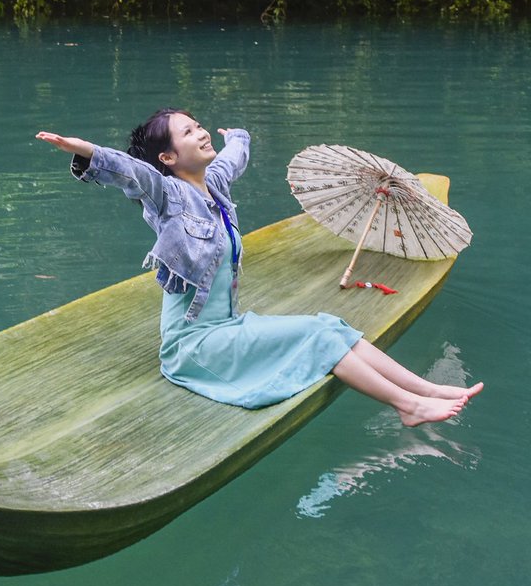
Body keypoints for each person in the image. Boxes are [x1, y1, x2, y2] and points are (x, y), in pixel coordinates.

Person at [36, 109, 483, 427]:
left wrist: (240, 137)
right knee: (319, 334)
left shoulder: (211, 185)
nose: (200, 132)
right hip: (194, 346)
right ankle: (407, 405)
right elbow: (135, 173)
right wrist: (88, 152)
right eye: (188, 132)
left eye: (197, 125)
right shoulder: (168, 196)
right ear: (168, 158)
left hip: (227, 328)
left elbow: (232, 161)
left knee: (331, 324)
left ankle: (424, 390)